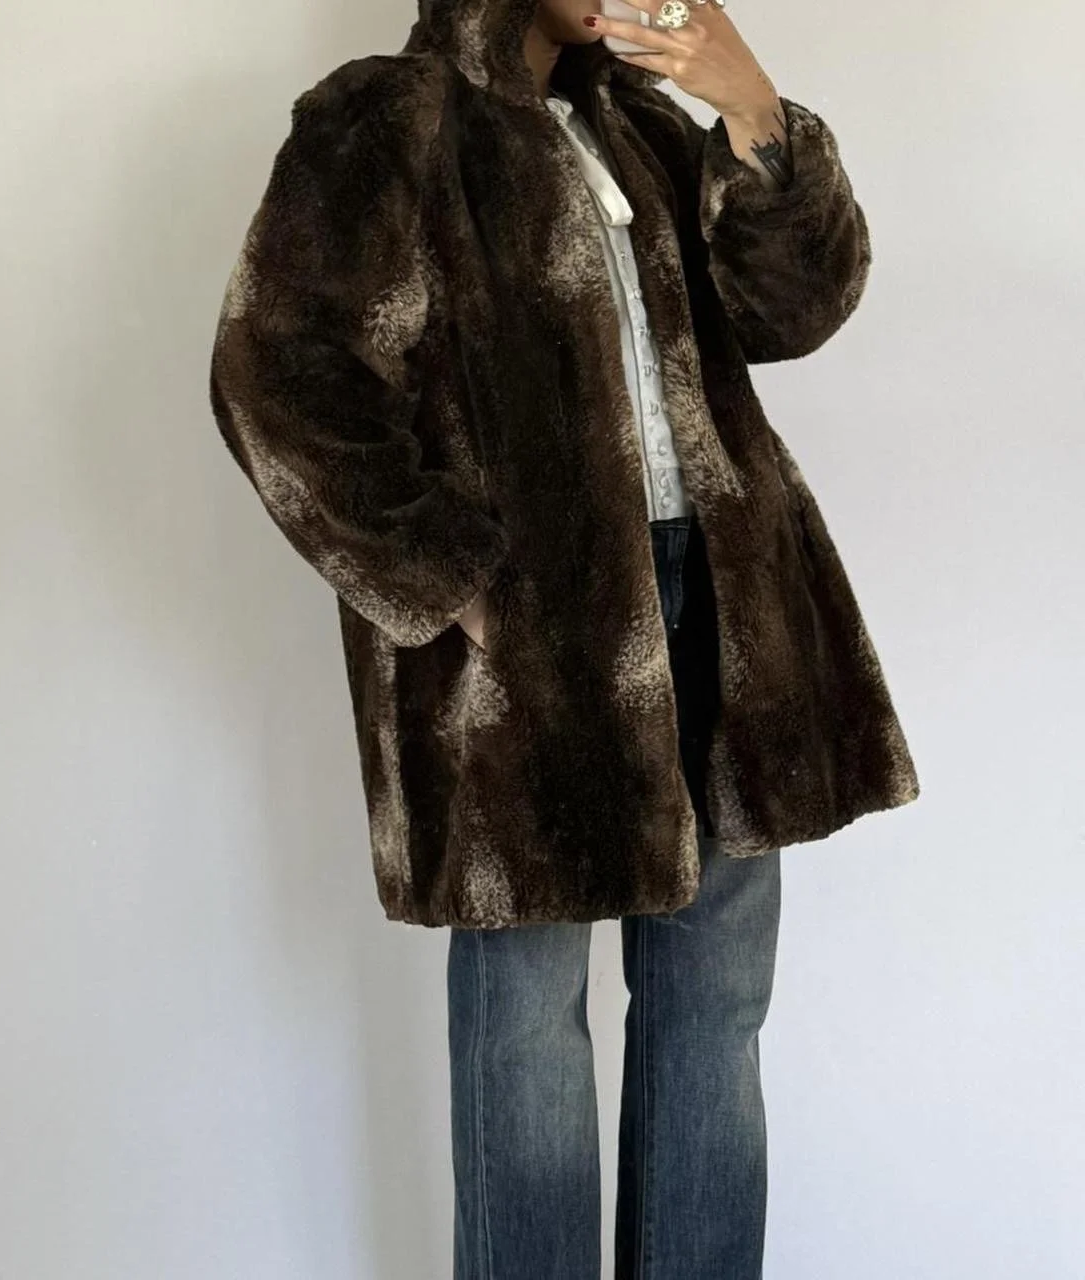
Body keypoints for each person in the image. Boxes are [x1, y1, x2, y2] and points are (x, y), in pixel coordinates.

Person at [209, 0, 921, 1275]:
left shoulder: (639, 122)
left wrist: (750, 108)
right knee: (525, 1026)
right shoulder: (390, 118)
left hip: (725, 610)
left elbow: (793, 312)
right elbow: (279, 369)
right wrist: (450, 582)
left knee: (715, 1008)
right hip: (531, 642)